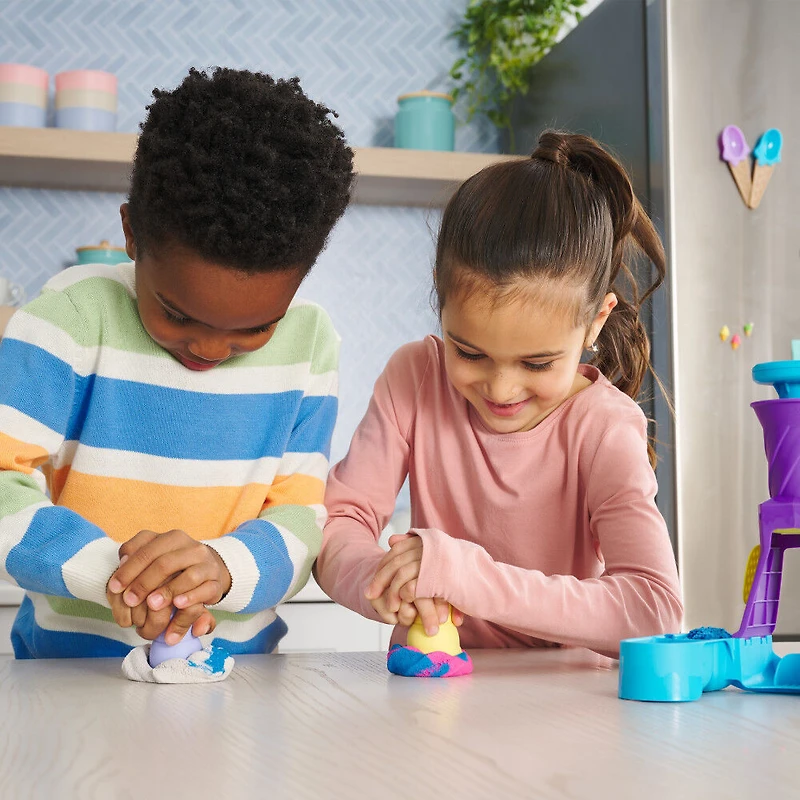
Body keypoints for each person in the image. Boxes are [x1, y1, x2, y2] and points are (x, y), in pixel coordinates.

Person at [0, 67, 354, 658]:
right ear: (132, 234)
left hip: (240, 677)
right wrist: (117, 573)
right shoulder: (67, 321)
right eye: (177, 313)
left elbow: (300, 518)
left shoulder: (311, 344)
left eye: (253, 328)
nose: (211, 350)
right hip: (67, 676)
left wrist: (222, 566)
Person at [315, 131, 683, 657]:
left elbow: (654, 611)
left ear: (594, 324)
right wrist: (379, 577)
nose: (501, 388)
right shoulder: (415, 377)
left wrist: (464, 576)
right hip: (429, 689)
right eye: (468, 352)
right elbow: (337, 522)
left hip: (561, 710)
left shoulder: (603, 427)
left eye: (537, 363)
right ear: (441, 310)